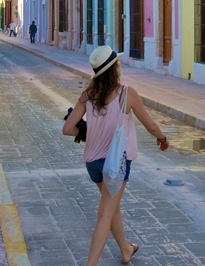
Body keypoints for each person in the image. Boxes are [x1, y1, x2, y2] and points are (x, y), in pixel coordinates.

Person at [62, 45, 168, 266]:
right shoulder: (127, 94)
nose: (121, 64)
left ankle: (126, 251)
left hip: (92, 163)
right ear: (113, 69)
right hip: (115, 165)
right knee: (105, 214)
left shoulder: (87, 96)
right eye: (118, 62)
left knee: (111, 208)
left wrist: (88, 130)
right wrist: (163, 138)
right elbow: (150, 125)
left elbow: (68, 129)